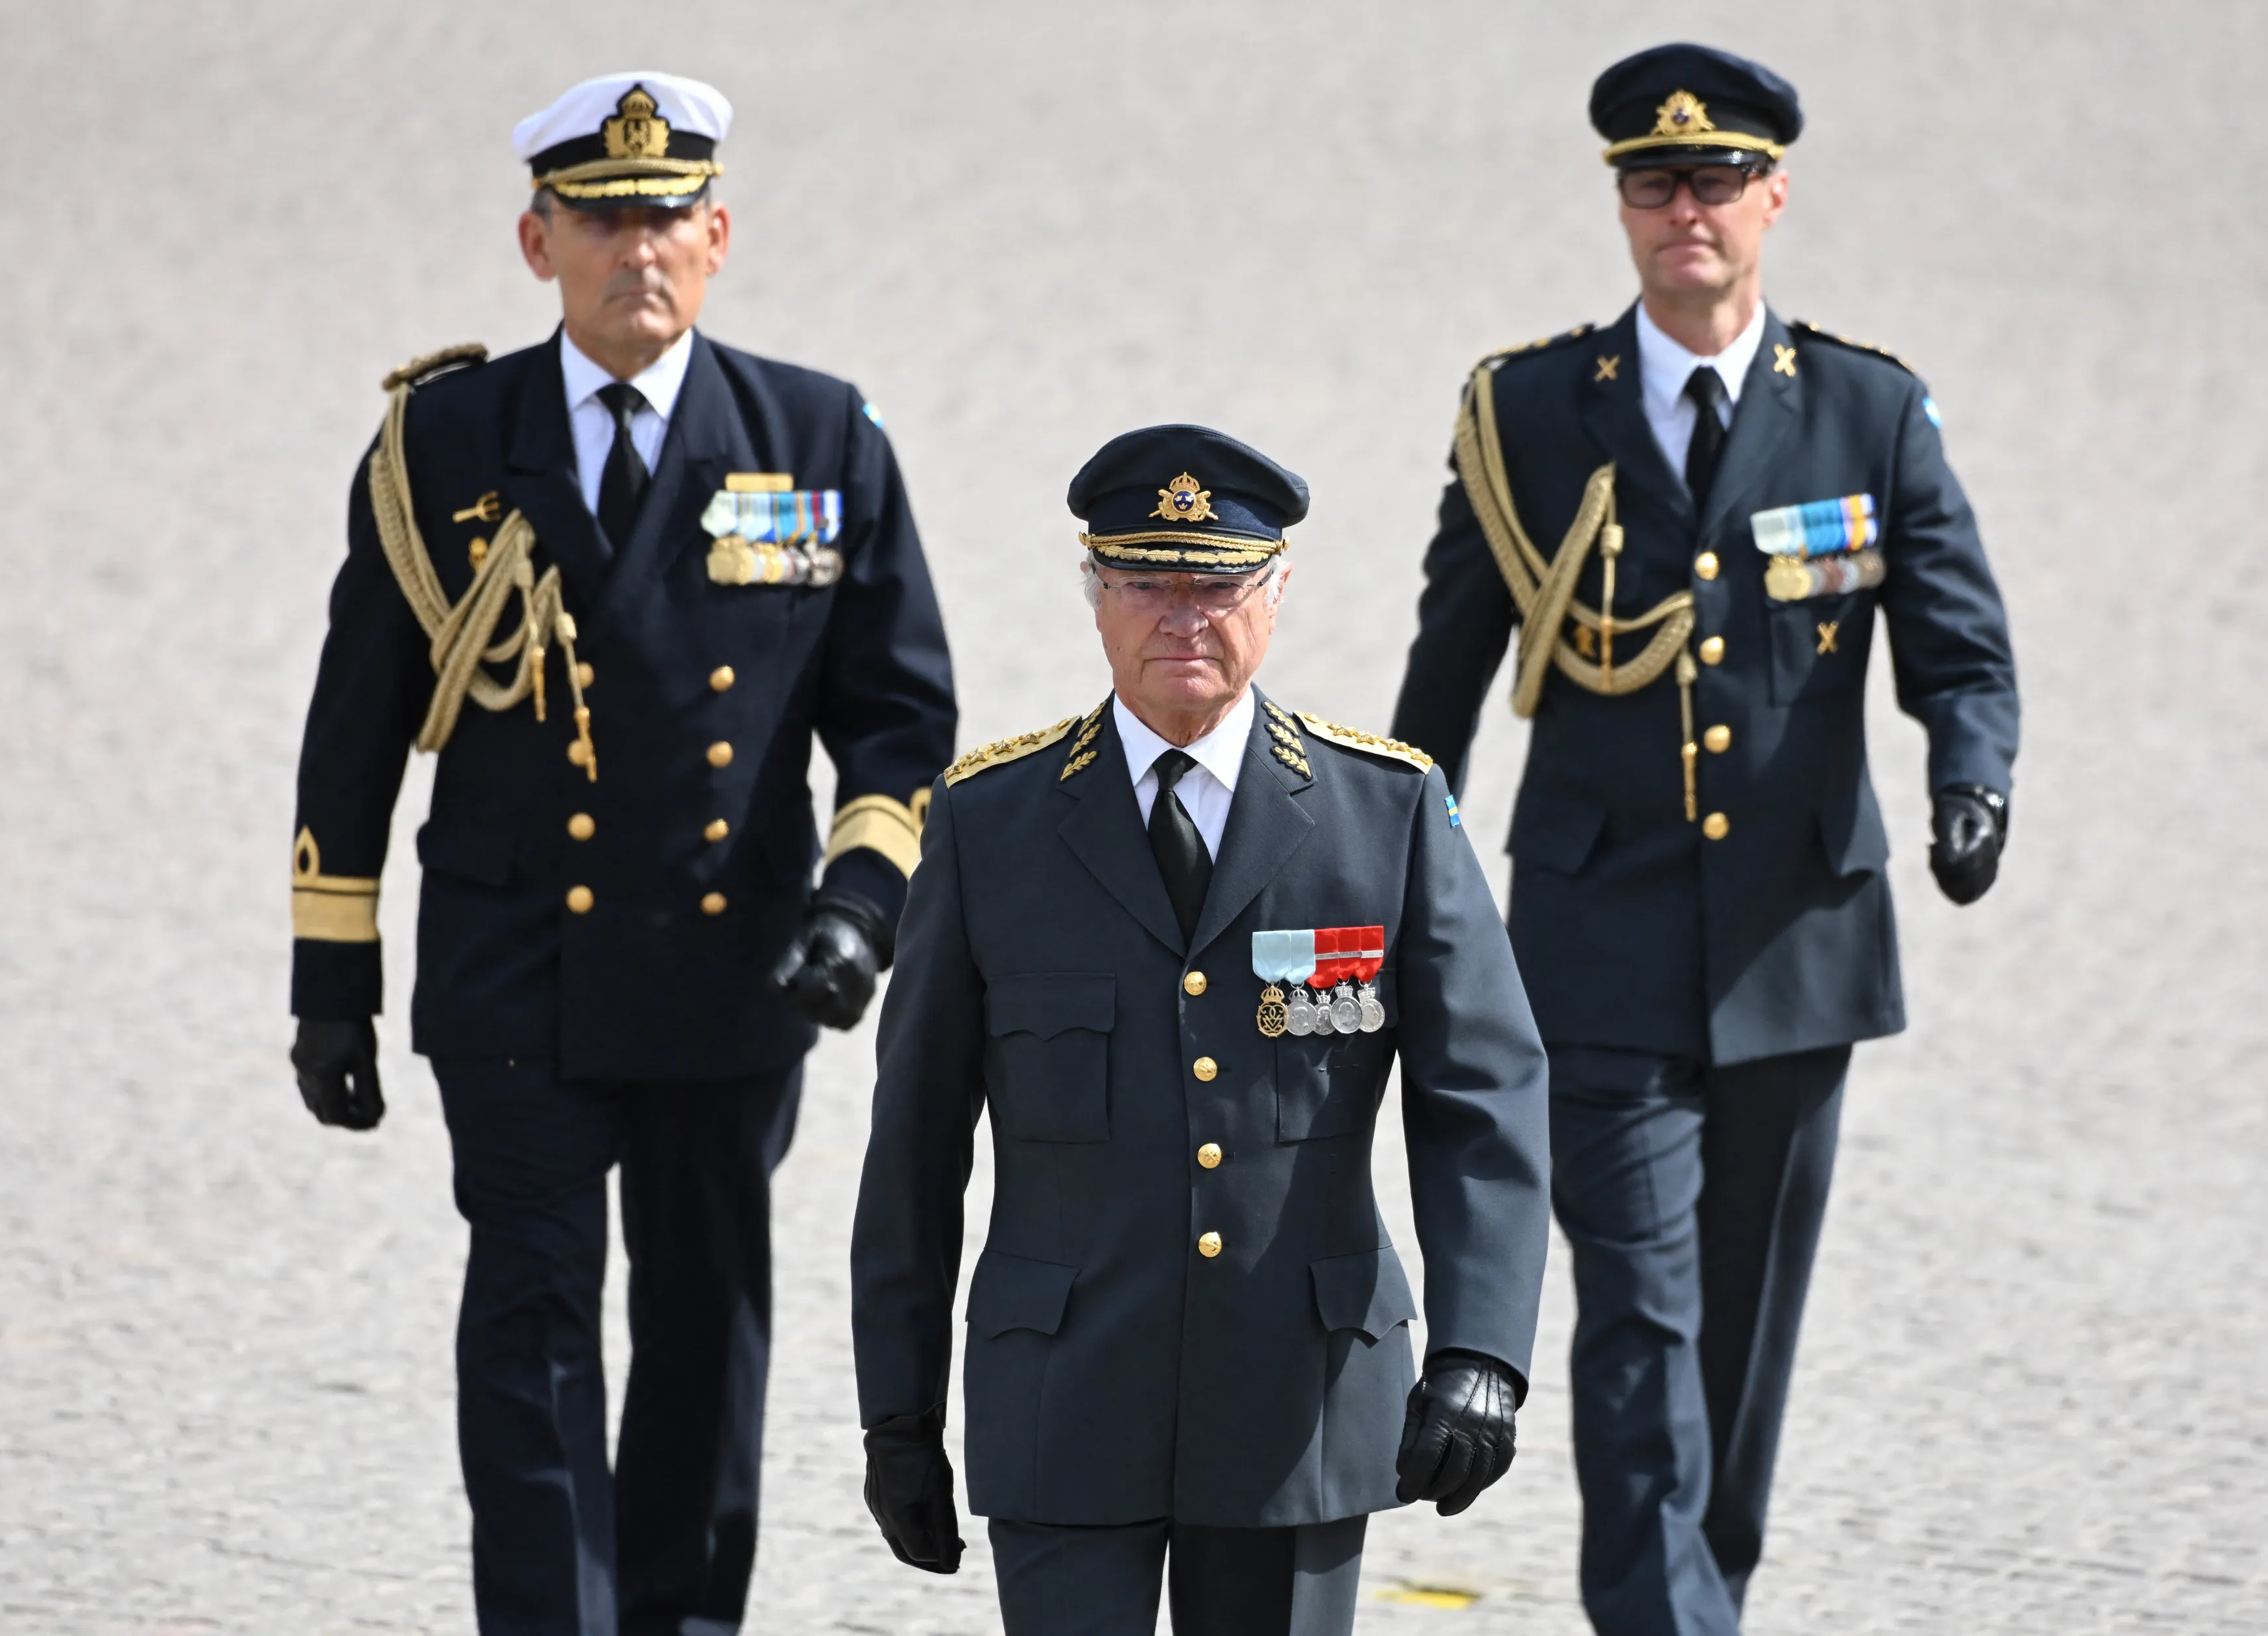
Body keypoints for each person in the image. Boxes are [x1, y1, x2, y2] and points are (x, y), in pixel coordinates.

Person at [284, 72, 956, 1636]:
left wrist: (860, 905)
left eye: (666, 218)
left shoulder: (818, 434)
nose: (634, 247)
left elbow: (901, 714)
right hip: (514, 970)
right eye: (600, 219)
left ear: (719, 236)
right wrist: (334, 972)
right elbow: (355, 726)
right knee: (527, 1316)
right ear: (537, 243)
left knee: (706, 1327)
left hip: (733, 971)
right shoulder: (442, 443)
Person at [1388, 41, 2020, 1636]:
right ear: (1620, 206)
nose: (1689, 209)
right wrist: (1410, 857)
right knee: (1638, 1326)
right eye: (1657, 184)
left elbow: (1957, 635)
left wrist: (1973, 775)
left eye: (1719, 181)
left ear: (1773, 200)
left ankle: (1703, 1593)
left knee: (1742, 1333)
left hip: (1796, 944)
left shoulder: (1866, 410)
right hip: (1595, 942)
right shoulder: (1531, 409)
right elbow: (1447, 671)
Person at [849, 426, 1553, 1636]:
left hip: (1299, 1399)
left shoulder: (1381, 815)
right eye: (1147, 583)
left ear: (1276, 592)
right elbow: (915, 1143)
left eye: (1218, 582)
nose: (1184, 616)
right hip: (1062, 1391)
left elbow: (1483, 1096)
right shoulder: (990, 823)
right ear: (1094, 596)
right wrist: (896, 1413)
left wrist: (1484, 1349)